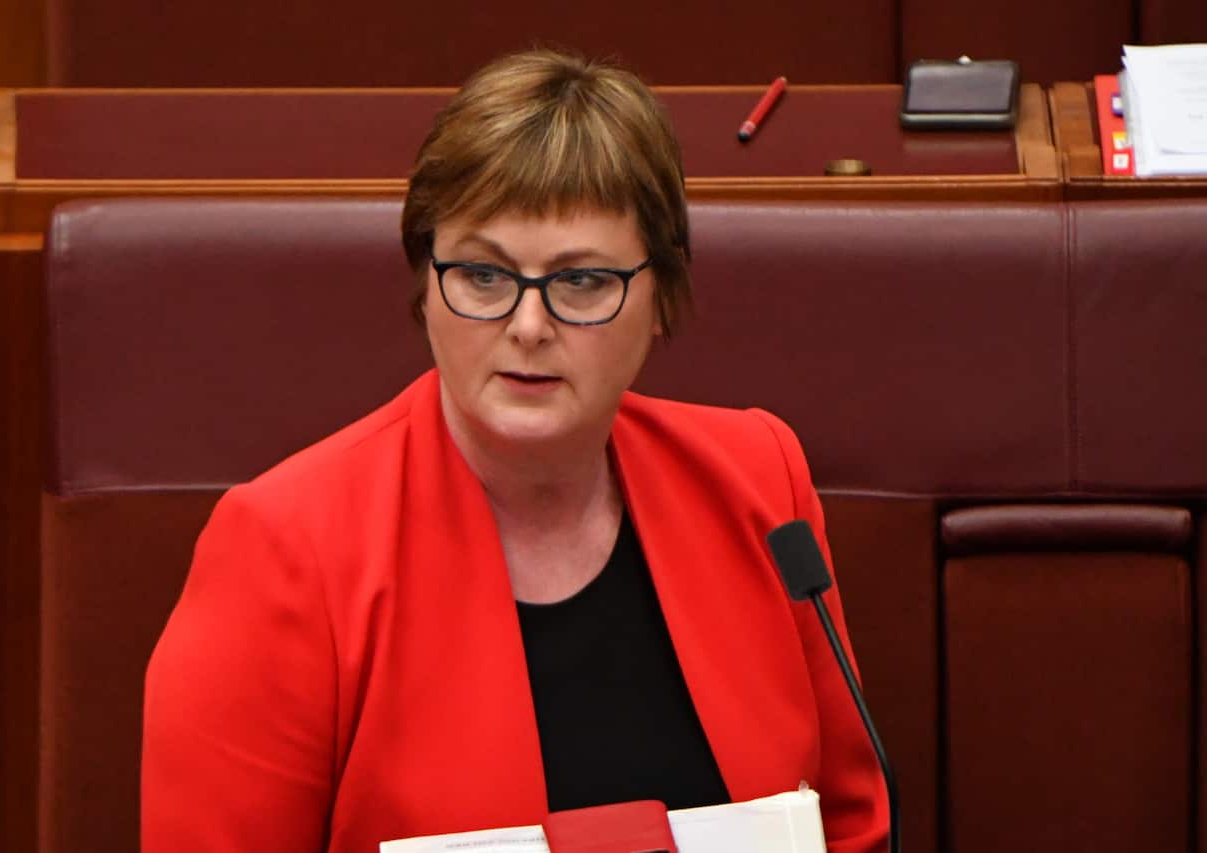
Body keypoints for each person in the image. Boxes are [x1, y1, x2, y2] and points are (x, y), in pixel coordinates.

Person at [141, 48, 888, 853]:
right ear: (426, 285)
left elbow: (851, 828)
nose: (529, 326)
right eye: (484, 276)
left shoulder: (755, 478)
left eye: (581, 282)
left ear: (663, 296)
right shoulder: (287, 550)